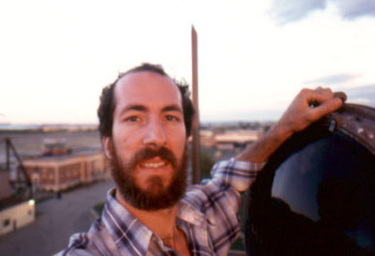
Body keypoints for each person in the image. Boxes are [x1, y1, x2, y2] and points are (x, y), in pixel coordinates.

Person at [60, 63, 343, 256]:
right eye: (134, 118)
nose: (156, 137)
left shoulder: (200, 220)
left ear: (187, 137)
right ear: (107, 144)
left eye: (170, 117)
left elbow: (231, 180)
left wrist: (284, 128)